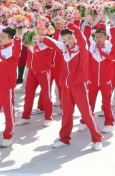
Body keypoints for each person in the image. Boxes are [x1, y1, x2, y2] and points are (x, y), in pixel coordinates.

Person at [40, 23, 103, 151]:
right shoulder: (64, 48)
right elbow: (52, 43)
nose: (68, 41)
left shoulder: (82, 48)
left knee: (86, 113)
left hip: (79, 85)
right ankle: (64, 138)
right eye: (65, 39)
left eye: (70, 38)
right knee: (66, 113)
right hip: (65, 86)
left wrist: (68, 23)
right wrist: (40, 38)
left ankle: (97, 139)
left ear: (75, 37)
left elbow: (79, 34)